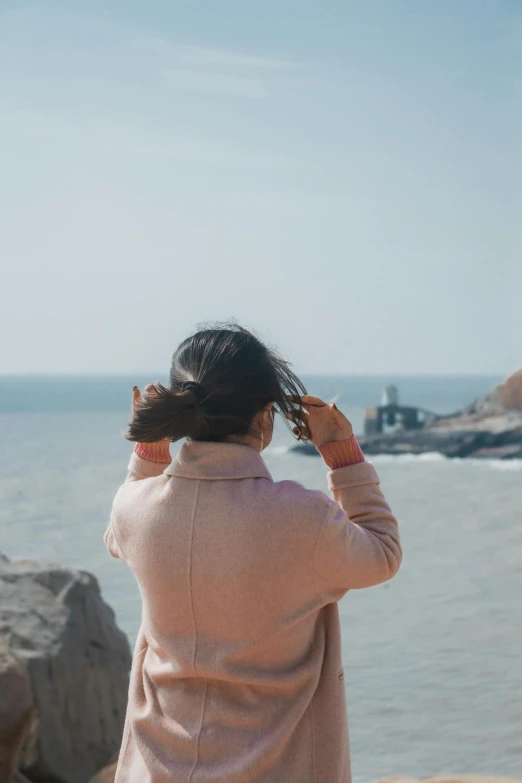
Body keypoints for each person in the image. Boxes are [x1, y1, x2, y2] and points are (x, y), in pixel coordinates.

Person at [104, 322, 402, 783]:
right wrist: (342, 453)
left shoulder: (134, 511)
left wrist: (150, 449)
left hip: (156, 767)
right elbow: (383, 553)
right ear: (265, 414)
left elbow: (121, 524)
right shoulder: (303, 518)